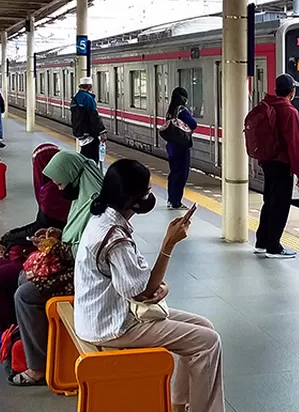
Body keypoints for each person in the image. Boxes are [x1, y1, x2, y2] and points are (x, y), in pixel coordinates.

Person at [74, 160, 224, 412]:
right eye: (146, 192)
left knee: (204, 326)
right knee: (208, 341)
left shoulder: (103, 218)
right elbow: (140, 292)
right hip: (112, 325)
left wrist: (159, 288)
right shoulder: (114, 237)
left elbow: (142, 282)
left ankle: (179, 404)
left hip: (104, 313)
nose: (149, 196)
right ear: (131, 198)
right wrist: (168, 244)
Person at [11, 150, 103, 386]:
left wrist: (56, 248)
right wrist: (58, 236)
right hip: (76, 264)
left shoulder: (94, 202)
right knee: (24, 277)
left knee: (25, 295)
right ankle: (37, 344)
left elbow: (86, 251)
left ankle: (37, 367)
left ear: (72, 175)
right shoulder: (82, 196)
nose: (59, 189)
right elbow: (75, 239)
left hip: (90, 274)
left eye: (61, 183)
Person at [0, 144, 71, 333]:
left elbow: (45, 231)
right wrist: (12, 237)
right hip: (58, 254)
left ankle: (13, 333)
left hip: (61, 262)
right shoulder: (56, 189)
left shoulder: (52, 193)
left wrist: (12, 240)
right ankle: (13, 328)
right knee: (1, 265)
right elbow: (42, 226)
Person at [254, 73, 299, 259]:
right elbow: (294, 143)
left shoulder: (268, 106)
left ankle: (261, 242)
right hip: (281, 164)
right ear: (291, 92)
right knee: (280, 205)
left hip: (267, 161)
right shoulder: (289, 111)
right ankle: (273, 246)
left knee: (269, 201)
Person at [165, 87, 198, 210]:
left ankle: (171, 199)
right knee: (181, 174)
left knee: (173, 173)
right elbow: (193, 124)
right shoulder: (182, 110)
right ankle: (176, 202)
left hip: (171, 146)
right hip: (181, 146)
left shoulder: (170, 110)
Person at [71, 76, 107, 163]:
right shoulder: (88, 98)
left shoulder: (75, 98)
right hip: (89, 133)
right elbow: (94, 116)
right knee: (92, 159)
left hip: (79, 132)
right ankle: (90, 174)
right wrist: (102, 131)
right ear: (89, 87)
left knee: (84, 154)